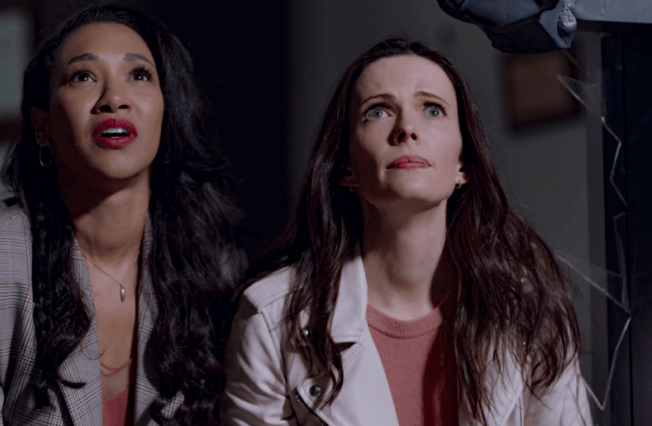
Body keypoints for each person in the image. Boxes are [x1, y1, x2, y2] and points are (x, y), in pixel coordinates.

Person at [221, 38, 591, 426]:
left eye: (433, 109)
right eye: (377, 111)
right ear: (346, 167)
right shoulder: (271, 318)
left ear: (463, 164)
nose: (407, 128)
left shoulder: (530, 308)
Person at [0, 4, 244, 425]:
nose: (114, 98)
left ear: (167, 112)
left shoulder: (213, 267)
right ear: (42, 126)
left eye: (139, 75)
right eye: (83, 76)